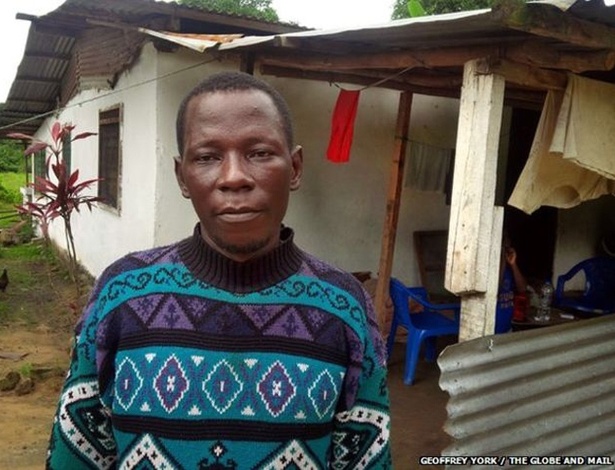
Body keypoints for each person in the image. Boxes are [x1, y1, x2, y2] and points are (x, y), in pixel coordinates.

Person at [46, 71, 391, 469]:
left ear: (294, 167)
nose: (234, 178)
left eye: (259, 153)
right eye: (207, 157)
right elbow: (76, 455)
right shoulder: (122, 294)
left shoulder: (344, 306)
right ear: (182, 177)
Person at [497, 234, 528, 331]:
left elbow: (522, 288)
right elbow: (496, 288)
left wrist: (513, 264)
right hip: (492, 329)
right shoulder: (492, 268)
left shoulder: (510, 269)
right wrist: (502, 260)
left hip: (507, 328)